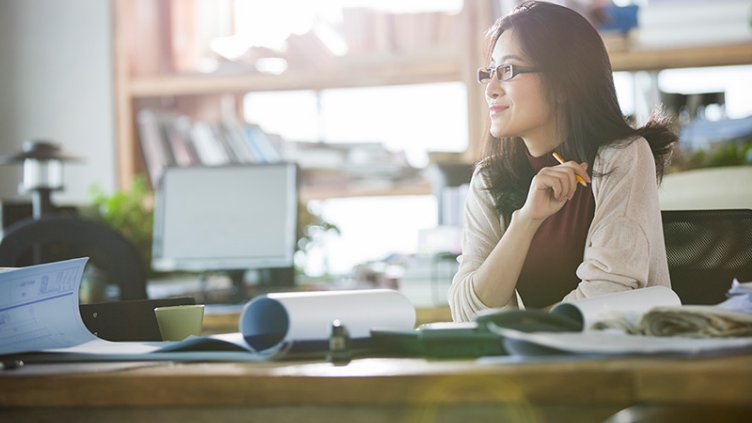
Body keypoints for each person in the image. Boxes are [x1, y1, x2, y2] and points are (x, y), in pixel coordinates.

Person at [448, 1, 677, 322]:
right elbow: (467, 313)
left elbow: (610, 292)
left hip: (612, 363)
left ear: (563, 84)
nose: (491, 89)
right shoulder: (490, 178)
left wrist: (520, 329)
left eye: (508, 70)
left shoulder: (623, 156)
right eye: (490, 72)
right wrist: (525, 221)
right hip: (530, 362)